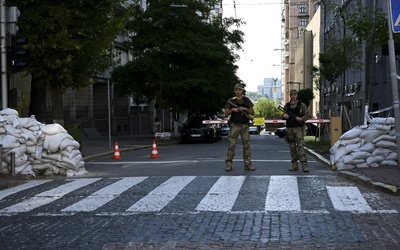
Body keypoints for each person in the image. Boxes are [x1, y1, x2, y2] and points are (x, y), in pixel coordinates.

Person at [224, 83, 255, 171]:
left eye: (240, 90)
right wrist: (232, 110)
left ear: (242, 91)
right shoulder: (231, 101)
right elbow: (226, 114)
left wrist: (245, 109)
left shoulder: (246, 100)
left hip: (244, 125)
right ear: (234, 91)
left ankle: (248, 165)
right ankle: (229, 164)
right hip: (234, 125)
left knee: (246, 146)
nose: (238, 91)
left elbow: (252, 112)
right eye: (236, 90)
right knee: (231, 145)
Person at [282, 89, 310, 172]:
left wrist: (301, 119)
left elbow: (307, 115)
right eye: (291, 95)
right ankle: (294, 164)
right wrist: (285, 116)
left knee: (300, 146)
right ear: (290, 96)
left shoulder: (301, 105)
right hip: (289, 128)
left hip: (298, 128)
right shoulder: (287, 106)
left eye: (294, 94)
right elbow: (282, 115)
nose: (293, 96)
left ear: (297, 95)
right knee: (292, 147)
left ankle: (304, 165)